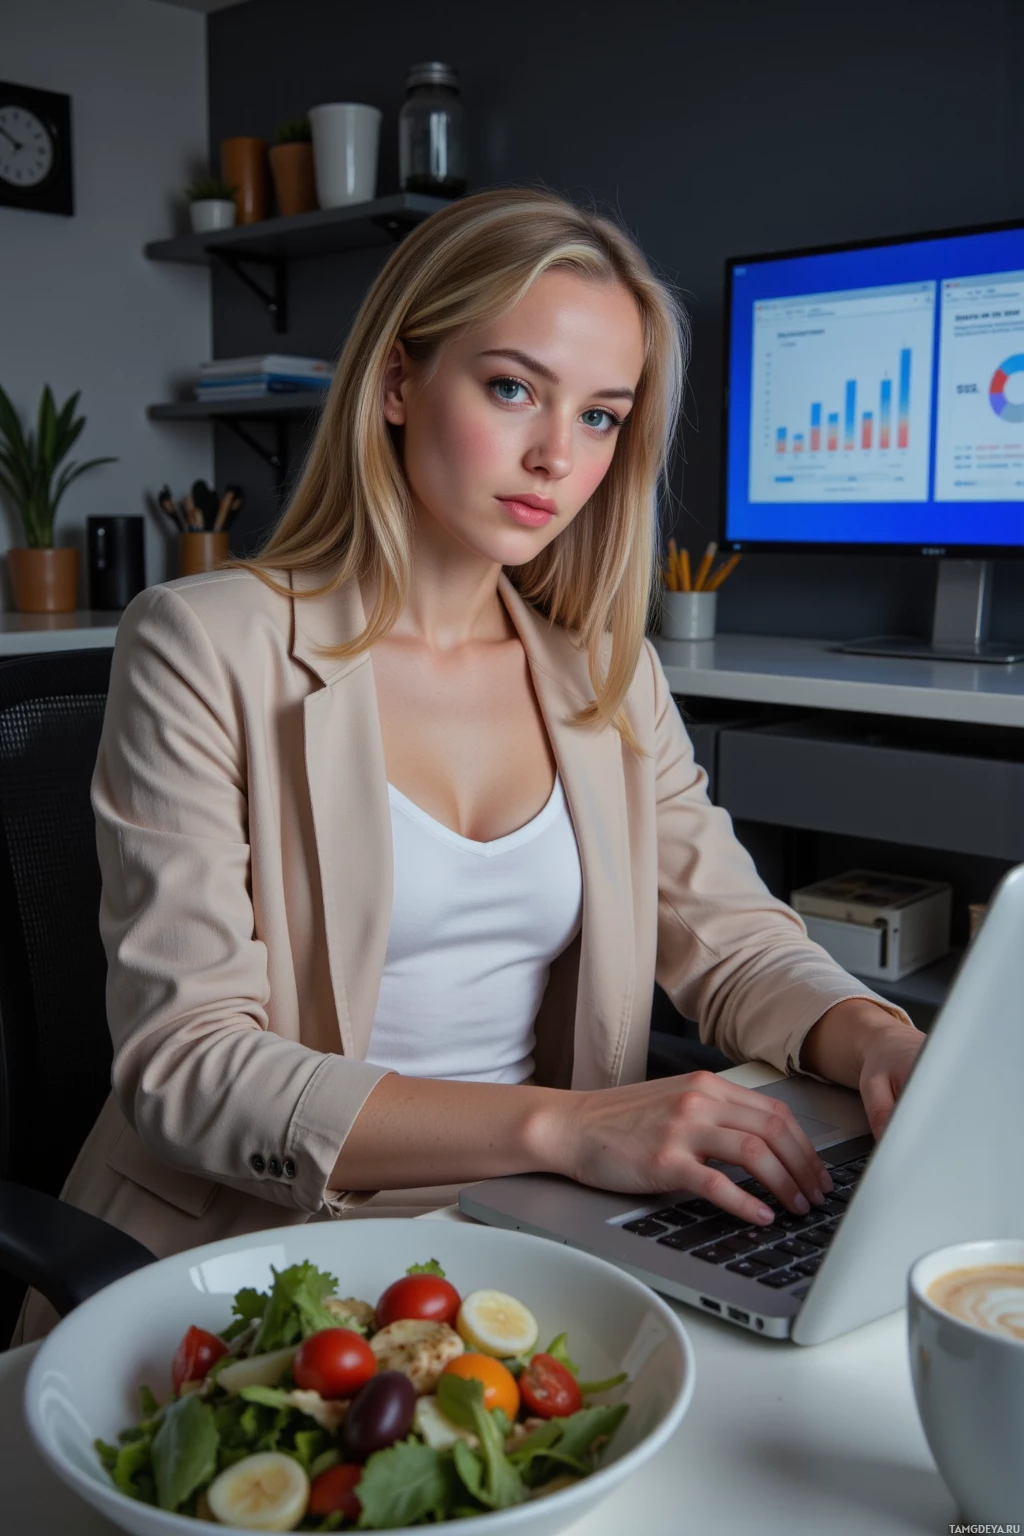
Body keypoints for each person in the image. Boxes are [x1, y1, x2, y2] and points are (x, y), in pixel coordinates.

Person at [14, 187, 923, 1344]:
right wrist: (563, 1127)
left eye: (601, 416)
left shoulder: (604, 673)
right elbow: (190, 1068)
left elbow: (736, 942)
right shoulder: (205, 644)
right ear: (398, 383)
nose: (556, 455)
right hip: (256, 1242)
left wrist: (878, 1038)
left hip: (533, 1231)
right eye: (511, 388)